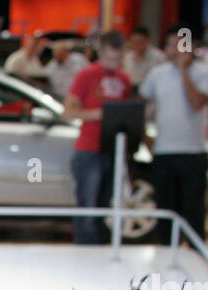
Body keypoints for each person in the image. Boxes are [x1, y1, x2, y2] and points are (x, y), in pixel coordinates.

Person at [139, 26, 208, 244]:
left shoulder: (204, 73)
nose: (176, 49)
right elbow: (141, 104)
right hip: (163, 152)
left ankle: (195, 256)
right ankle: (165, 256)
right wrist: (145, 137)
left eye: (181, 44)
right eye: (172, 44)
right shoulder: (157, 74)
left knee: (194, 212)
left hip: (193, 153)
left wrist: (183, 71)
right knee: (165, 211)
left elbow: (196, 102)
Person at [62, 31, 133, 245]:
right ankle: (85, 250)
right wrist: (102, 114)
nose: (114, 63)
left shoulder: (123, 78)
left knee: (104, 206)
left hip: (112, 149)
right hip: (89, 150)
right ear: (100, 52)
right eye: (110, 58)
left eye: (118, 58)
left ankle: (100, 248)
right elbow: (68, 111)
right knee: (87, 207)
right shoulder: (86, 75)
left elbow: (128, 111)